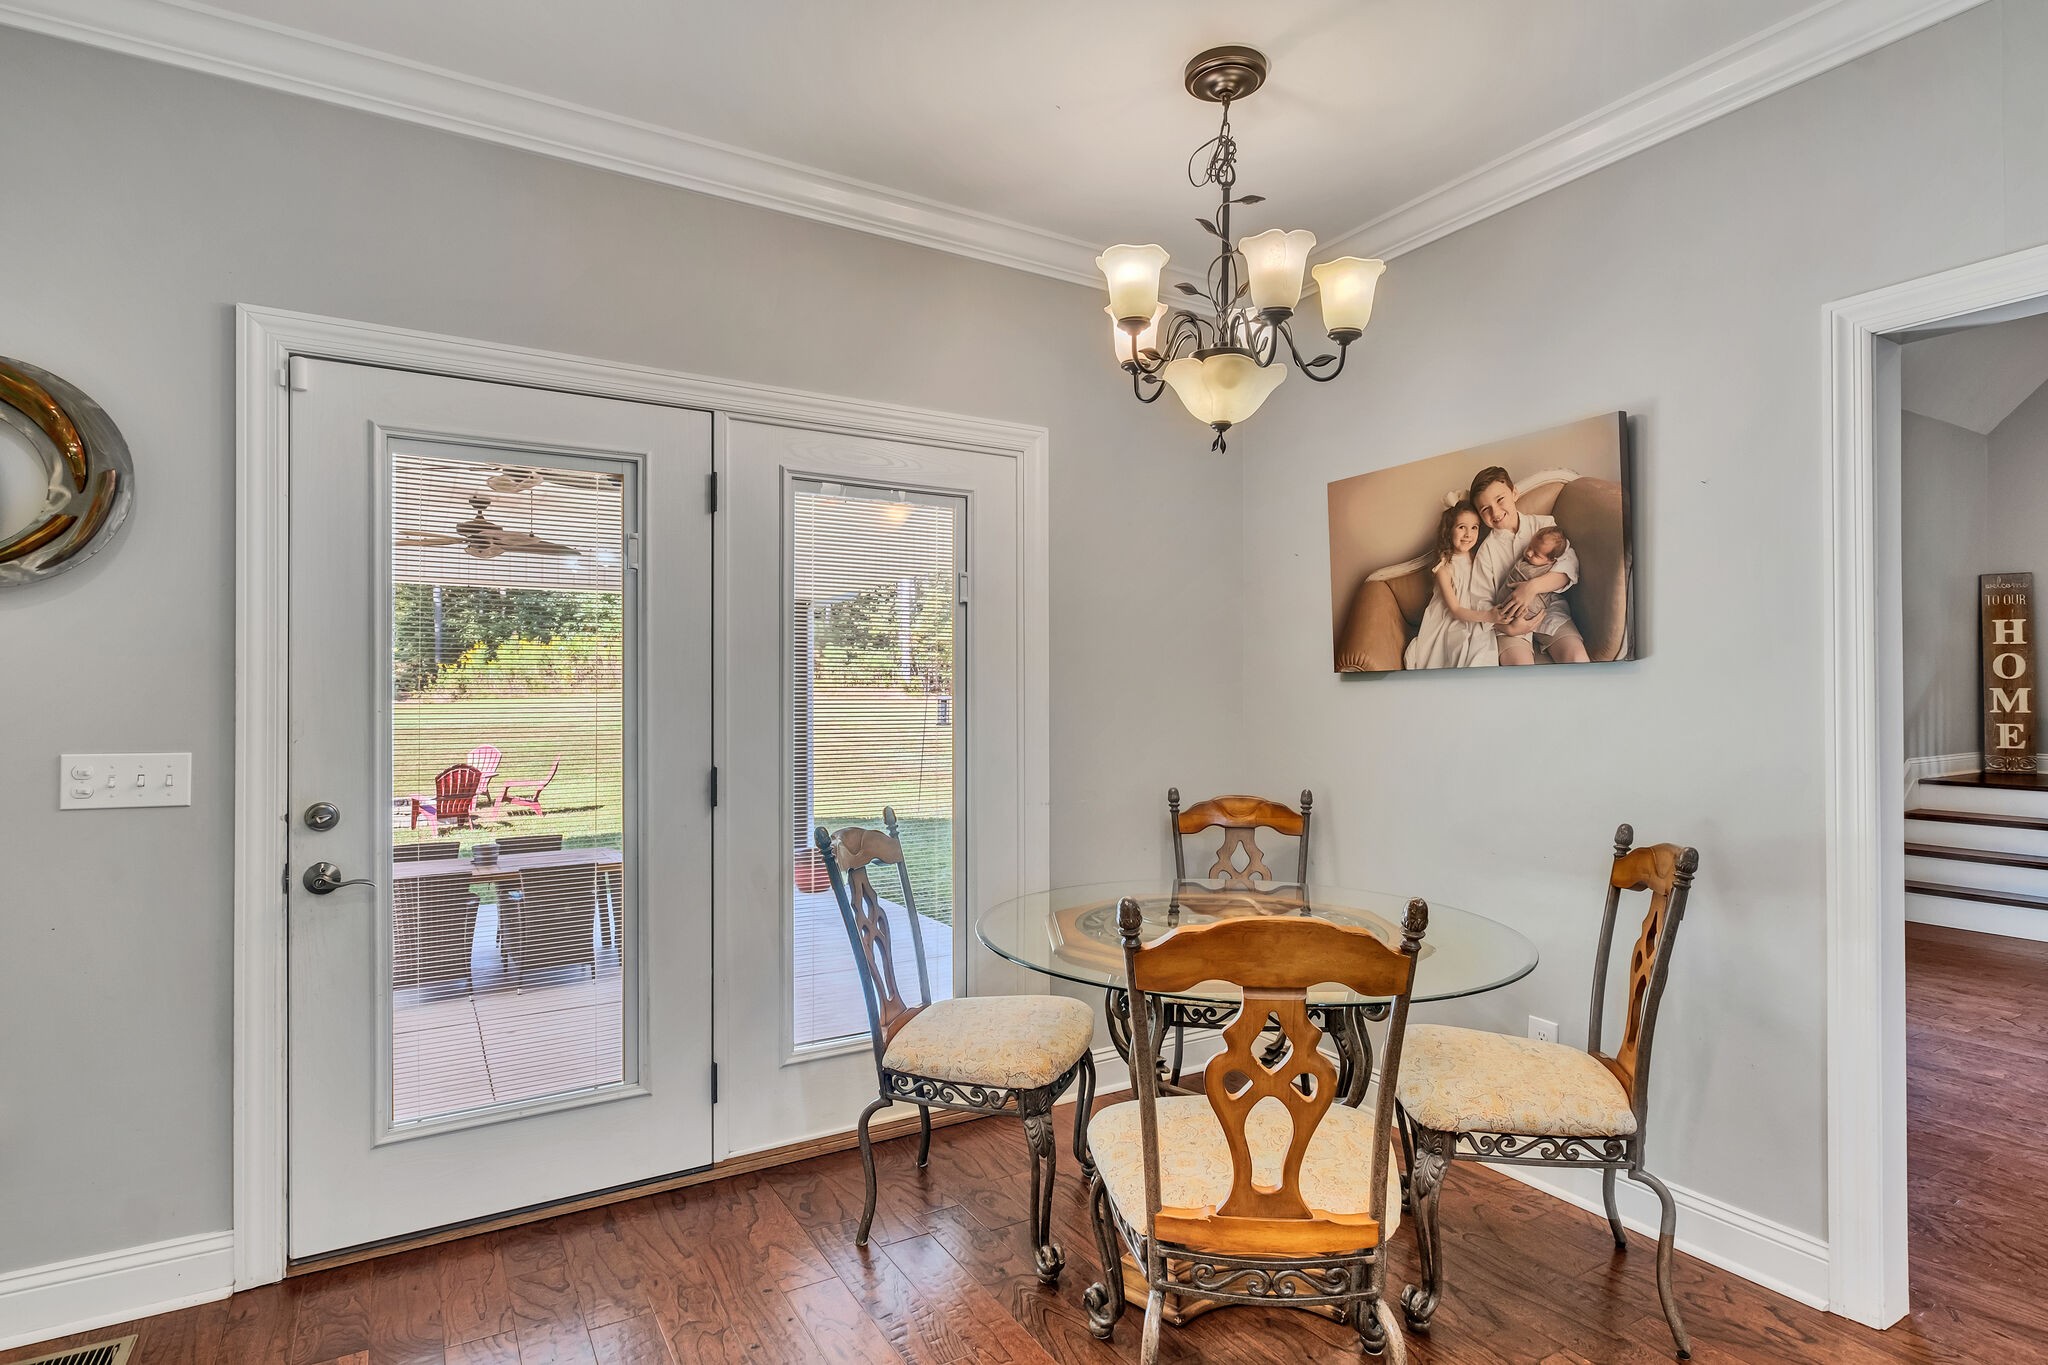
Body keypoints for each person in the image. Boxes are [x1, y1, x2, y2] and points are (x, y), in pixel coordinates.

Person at [1468, 466, 1589, 665]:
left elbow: (1569, 565)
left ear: (1514, 493)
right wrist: (1510, 629)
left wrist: (1532, 588)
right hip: (1508, 620)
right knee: (1520, 667)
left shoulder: (1543, 525)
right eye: (1485, 509)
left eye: (1500, 500)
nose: (1496, 512)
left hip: (1547, 608)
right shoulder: (1486, 552)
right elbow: (1481, 602)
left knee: (1577, 658)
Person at [1403, 500, 1498, 670]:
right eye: (1462, 527)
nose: (1468, 534)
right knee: (1458, 647)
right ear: (1449, 530)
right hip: (1450, 619)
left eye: (1474, 527)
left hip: (1476, 612)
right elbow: (1455, 610)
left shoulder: (1479, 556)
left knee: (1481, 651)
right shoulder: (1444, 567)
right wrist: (1488, 616)